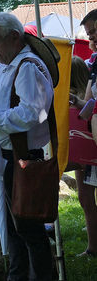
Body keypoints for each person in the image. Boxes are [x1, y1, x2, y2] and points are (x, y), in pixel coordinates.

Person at [0, 12, 54, 280]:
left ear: (14, 37)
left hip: (22, 158)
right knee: (12, 229)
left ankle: (39, 276)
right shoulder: (6, 65)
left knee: (28, 228)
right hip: (3, 156)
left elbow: (33, 113)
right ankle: (17, 275)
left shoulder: (27, 65)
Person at [70, 55, 97, 257]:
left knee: (86, 199)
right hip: (85, 156)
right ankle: (92, 246)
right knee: (85, 198)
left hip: (87, 154)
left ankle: (93, 247)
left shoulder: (80, 100)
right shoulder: (82, 99)